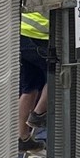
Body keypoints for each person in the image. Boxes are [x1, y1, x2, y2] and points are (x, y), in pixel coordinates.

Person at [18, 10, 52, 150]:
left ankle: (22, 137)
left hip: (22, 31)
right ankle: (38, 115)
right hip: (38, 35)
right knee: (57, 73)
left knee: (30, 86)